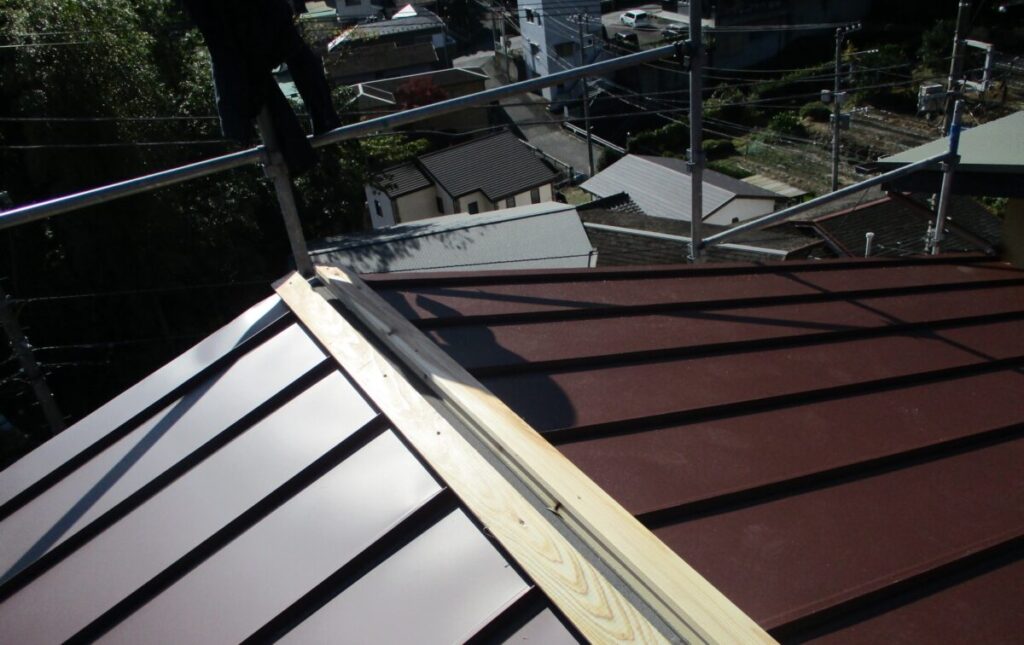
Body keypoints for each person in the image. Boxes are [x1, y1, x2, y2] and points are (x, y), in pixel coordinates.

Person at [181, 0, 340, 175]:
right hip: (255, 25)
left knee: (259, 74)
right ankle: (320, 126)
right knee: (288, 59)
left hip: (241, 34)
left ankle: (304, 145)